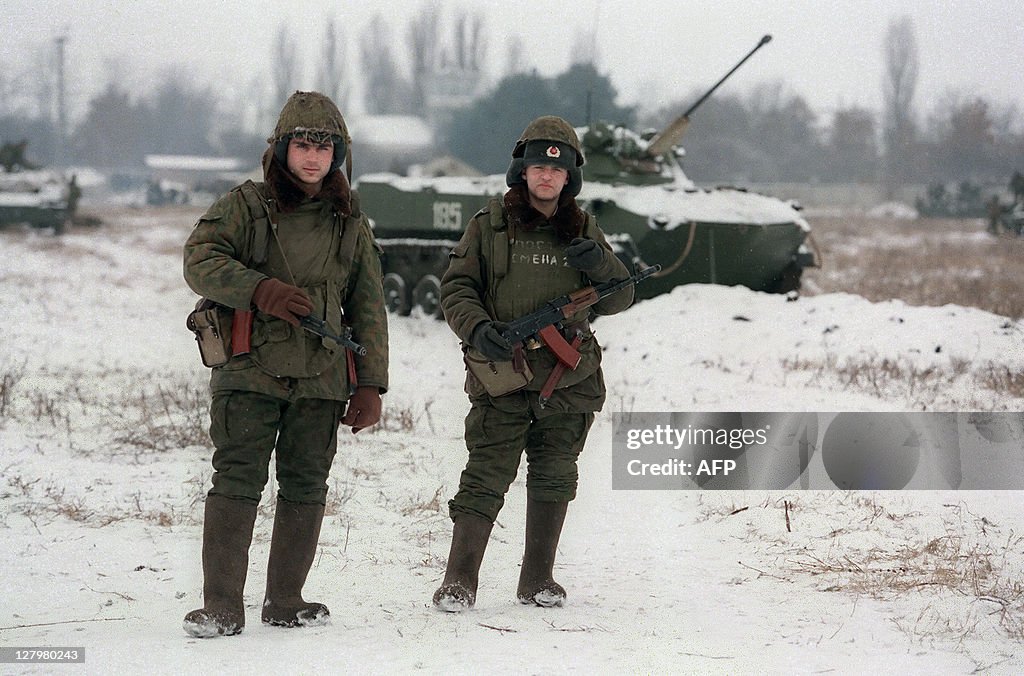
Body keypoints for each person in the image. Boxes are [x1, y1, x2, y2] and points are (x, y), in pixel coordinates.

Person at [181, 91, 388, 637]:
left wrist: (371, 385)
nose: (313, 156)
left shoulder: (350, 221)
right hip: (249, 368)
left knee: (306, 484)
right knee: (237, 478)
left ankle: (285, 599)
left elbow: (368, 303)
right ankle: (222, 606)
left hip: (321, 374)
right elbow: (198, 260)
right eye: (303, 144)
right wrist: (260, 290)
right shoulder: (244, 205)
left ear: (338, 153)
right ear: (282, 148)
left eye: (325, 146)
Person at [433, 115, 634, 611]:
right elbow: (457, 288)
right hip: (503, 373)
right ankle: (460, 580)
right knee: (485, 473)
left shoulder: (584, 229)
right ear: (522, 172)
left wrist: (601, 265)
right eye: (538, 167)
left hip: (569, 377)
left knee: (555, 475)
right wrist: (480, 329)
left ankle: (538, 579)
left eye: (559, 169)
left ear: (569, 178)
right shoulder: (489, 225)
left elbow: (620, 297)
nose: (547, 176)